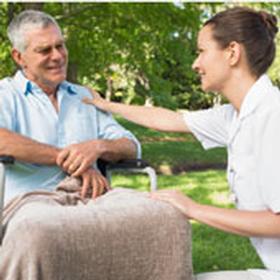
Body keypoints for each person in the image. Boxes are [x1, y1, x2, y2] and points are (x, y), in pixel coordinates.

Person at [84, 7, 280, 280]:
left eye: (201, 51)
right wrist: (107, 105)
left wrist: (193, 208)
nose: (195, 64)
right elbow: (167, 119)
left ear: (232, 53)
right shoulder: (235, 115)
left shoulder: (272, 116)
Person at [0, 9, 140, 203]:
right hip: (29, 203)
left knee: (165, 214)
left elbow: (131, 146)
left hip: (92, 201)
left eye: (60, 46)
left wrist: (98, 147)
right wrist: (73, 160)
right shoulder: (5, 94)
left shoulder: (84, 97)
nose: (57, 56)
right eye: (44, 50)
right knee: (40, 230)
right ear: (19, 57)